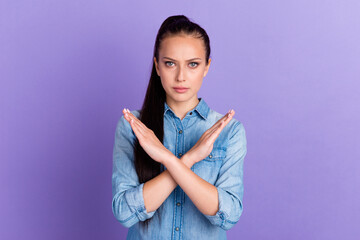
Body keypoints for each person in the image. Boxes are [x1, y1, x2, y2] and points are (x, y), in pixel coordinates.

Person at [112, 15, 247, 240]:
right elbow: (125, 213)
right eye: (170, 63)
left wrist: (166, 159)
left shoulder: (229, 132)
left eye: (193, 64)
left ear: (207, 67)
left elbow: (229, 215)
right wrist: (188, 159)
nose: (181, 76)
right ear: (157, 66)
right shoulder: (134, 127)